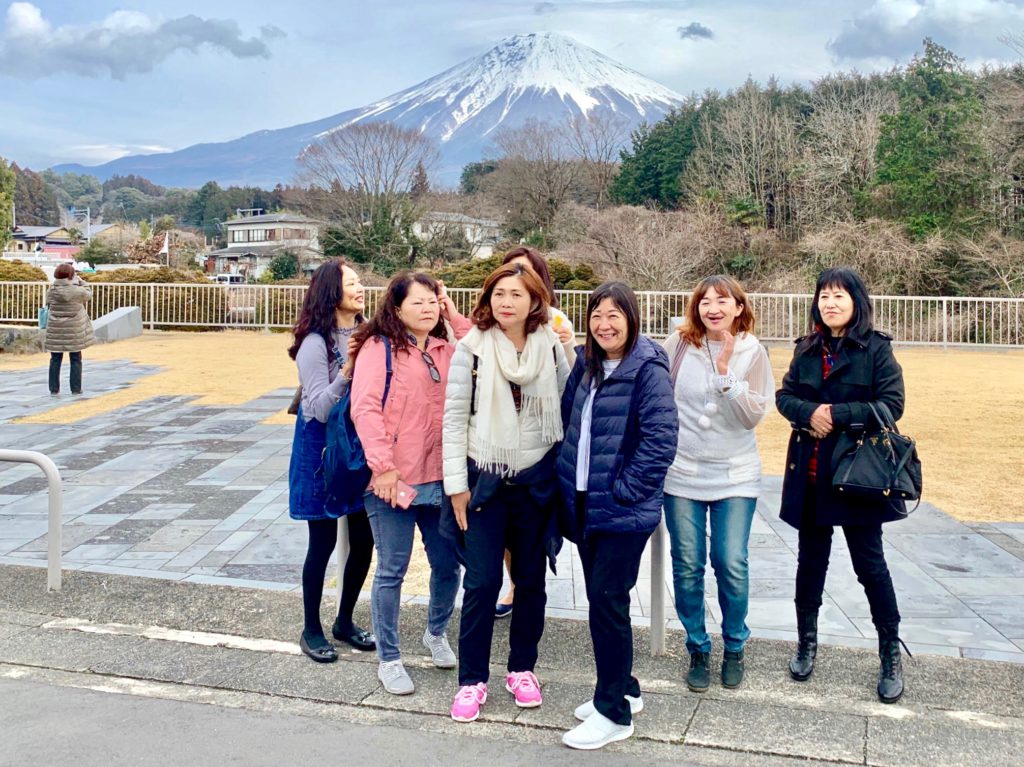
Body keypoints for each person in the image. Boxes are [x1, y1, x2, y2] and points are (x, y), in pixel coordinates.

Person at [443, 262, 570, 723]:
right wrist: (456, 485)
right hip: (485, 480)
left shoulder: (550, 345)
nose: (506, 302)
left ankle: (522, 668)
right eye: (498, 294)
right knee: (480, 583)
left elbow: (566, 408)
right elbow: (454, 419)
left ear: (535, 300)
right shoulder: (471, 348)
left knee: (531, 581)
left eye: (516, 294)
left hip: (536, 481)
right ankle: (472, 679)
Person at [776, 266, 910, 703]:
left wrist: (835, 414)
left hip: (857, 477)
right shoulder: (807, 348)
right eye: (824, 296)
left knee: (870, 565)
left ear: (857, 301)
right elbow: (785, 396)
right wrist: (806, 413)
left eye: (839, 296)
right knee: (810, 562)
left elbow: (892, 404)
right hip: (812, 473)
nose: (830, 303)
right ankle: (806, 642)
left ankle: (890, 650)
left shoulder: (876, 349)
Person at [557, 281, 677, 750]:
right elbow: (570, 422)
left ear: (631, 318)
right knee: (604, 600)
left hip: (623, 508)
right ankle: (624, 685)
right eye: (597, 315)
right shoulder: (587, 365)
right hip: (586, 504)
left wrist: (626, 490)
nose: (605, 324)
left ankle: (613, 712)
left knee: (607, 601)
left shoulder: (647, 367)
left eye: (615, 315)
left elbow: (661, 440)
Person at [349, 272, 468, 696]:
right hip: (392, 480)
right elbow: (364, 409)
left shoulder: (447, 349)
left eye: (433, 301)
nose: (427, 308)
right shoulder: (378, 348)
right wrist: (382, 467)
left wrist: (453, 312)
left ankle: (435, 632)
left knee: (448, 565)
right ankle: (390, 657)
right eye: (417, 302)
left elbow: (484, 352)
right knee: (392, 570)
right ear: (396, 308)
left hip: (441, 477)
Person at [662, 276, 774, 692]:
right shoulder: (677, 345)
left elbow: (751, 416)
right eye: (704, 301)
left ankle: (734, 645)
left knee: (730, 561)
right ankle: (697, 646)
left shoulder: (752, 352)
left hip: (734, 474)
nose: (712, 307)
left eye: (722, 301)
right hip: (682, 473)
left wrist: (726, 376)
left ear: (738, 308)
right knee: (688, 565)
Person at [287, 259, 375, 663]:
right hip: (321, 450)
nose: (360, 288)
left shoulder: (367, 330)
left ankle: (344, 620)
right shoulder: (314, 342)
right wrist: (351, 368)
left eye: (360, 282)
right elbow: (319, 408)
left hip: (357, 446)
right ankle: (311, 629)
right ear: (331, 292)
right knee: (321, 543)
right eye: (352, 283)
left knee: (364, 538)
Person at [494, 247, 577, 619]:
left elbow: (572, 383)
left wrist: (568, 345)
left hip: (542, 442)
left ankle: (525, 589)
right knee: (503, 530)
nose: (517, 281)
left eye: (526, 274)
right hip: (498, 443)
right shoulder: (493, 325)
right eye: (510, 275)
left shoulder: (556, 321)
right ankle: (513, 584)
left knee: (534, 527)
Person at [44, 263, 95, 396]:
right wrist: (81, 281)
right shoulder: (77, 290)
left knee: (55, 359)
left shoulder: (51, 291)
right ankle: (76, 388)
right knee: (75, 358)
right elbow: (88, 294)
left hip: (56, 329)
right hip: (74, 329)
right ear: (71, 275)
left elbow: (48, 303)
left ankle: (54, 389)